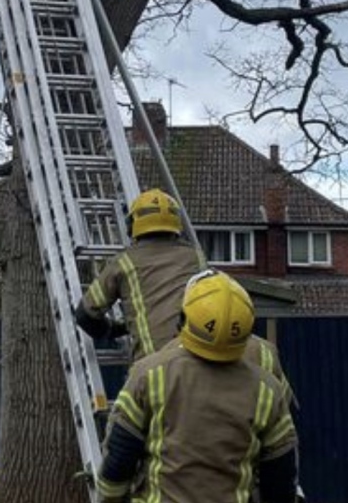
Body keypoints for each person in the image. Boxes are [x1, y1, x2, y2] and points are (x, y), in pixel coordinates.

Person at [96, 270, 298, 503]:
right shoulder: (267, 390)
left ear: (184, 319)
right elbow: (281, 478)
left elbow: (118, 460)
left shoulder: (149, 374)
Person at [74, 189, 202, 361]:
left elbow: (85, 315)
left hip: (152, 367)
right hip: (198, 361)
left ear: (132, 226)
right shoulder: (196, 258)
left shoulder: (123, 263)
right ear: (176, 224)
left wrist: (112, 330)